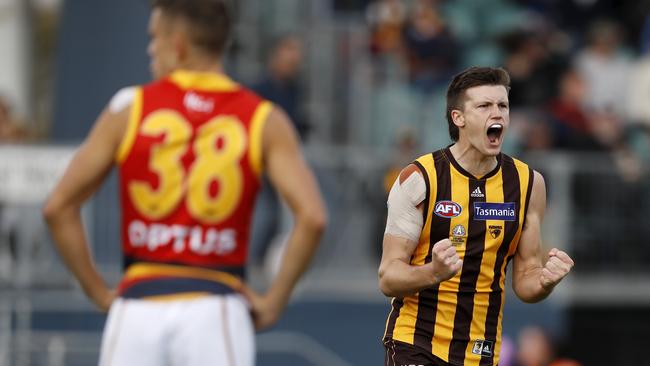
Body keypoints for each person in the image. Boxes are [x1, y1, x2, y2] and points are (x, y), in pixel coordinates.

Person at [42, 1, 327, 365]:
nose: (150, 48)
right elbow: (313, 217)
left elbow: (58, 207)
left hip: (137, 307)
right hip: (217, 304)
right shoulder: (263, 117)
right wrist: (274, 300)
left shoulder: (130, 108)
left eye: (154, 38)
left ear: (177, 45)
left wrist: (98, 292)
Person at [378, 67, 574, 366]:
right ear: (459, 118)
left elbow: (525, 282)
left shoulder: (528, 184)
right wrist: (434, 272)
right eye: (484, 106)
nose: (497, 114)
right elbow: (388, 277)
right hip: (416, 343)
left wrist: (546, 282)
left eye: (503, 106)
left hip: (481, 351)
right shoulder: (420, 179)